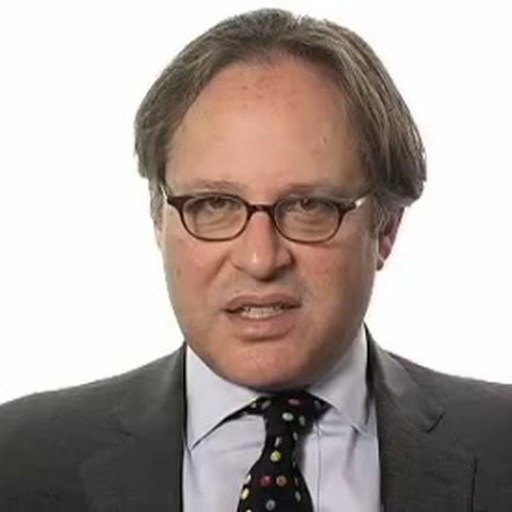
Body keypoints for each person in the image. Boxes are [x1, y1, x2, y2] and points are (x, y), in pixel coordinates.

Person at [1, 8, 511, 511]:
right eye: (214, 205)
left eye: (308, 207)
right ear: (158, 217)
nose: (260, 258)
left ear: (386, 226)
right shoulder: (17, 459)